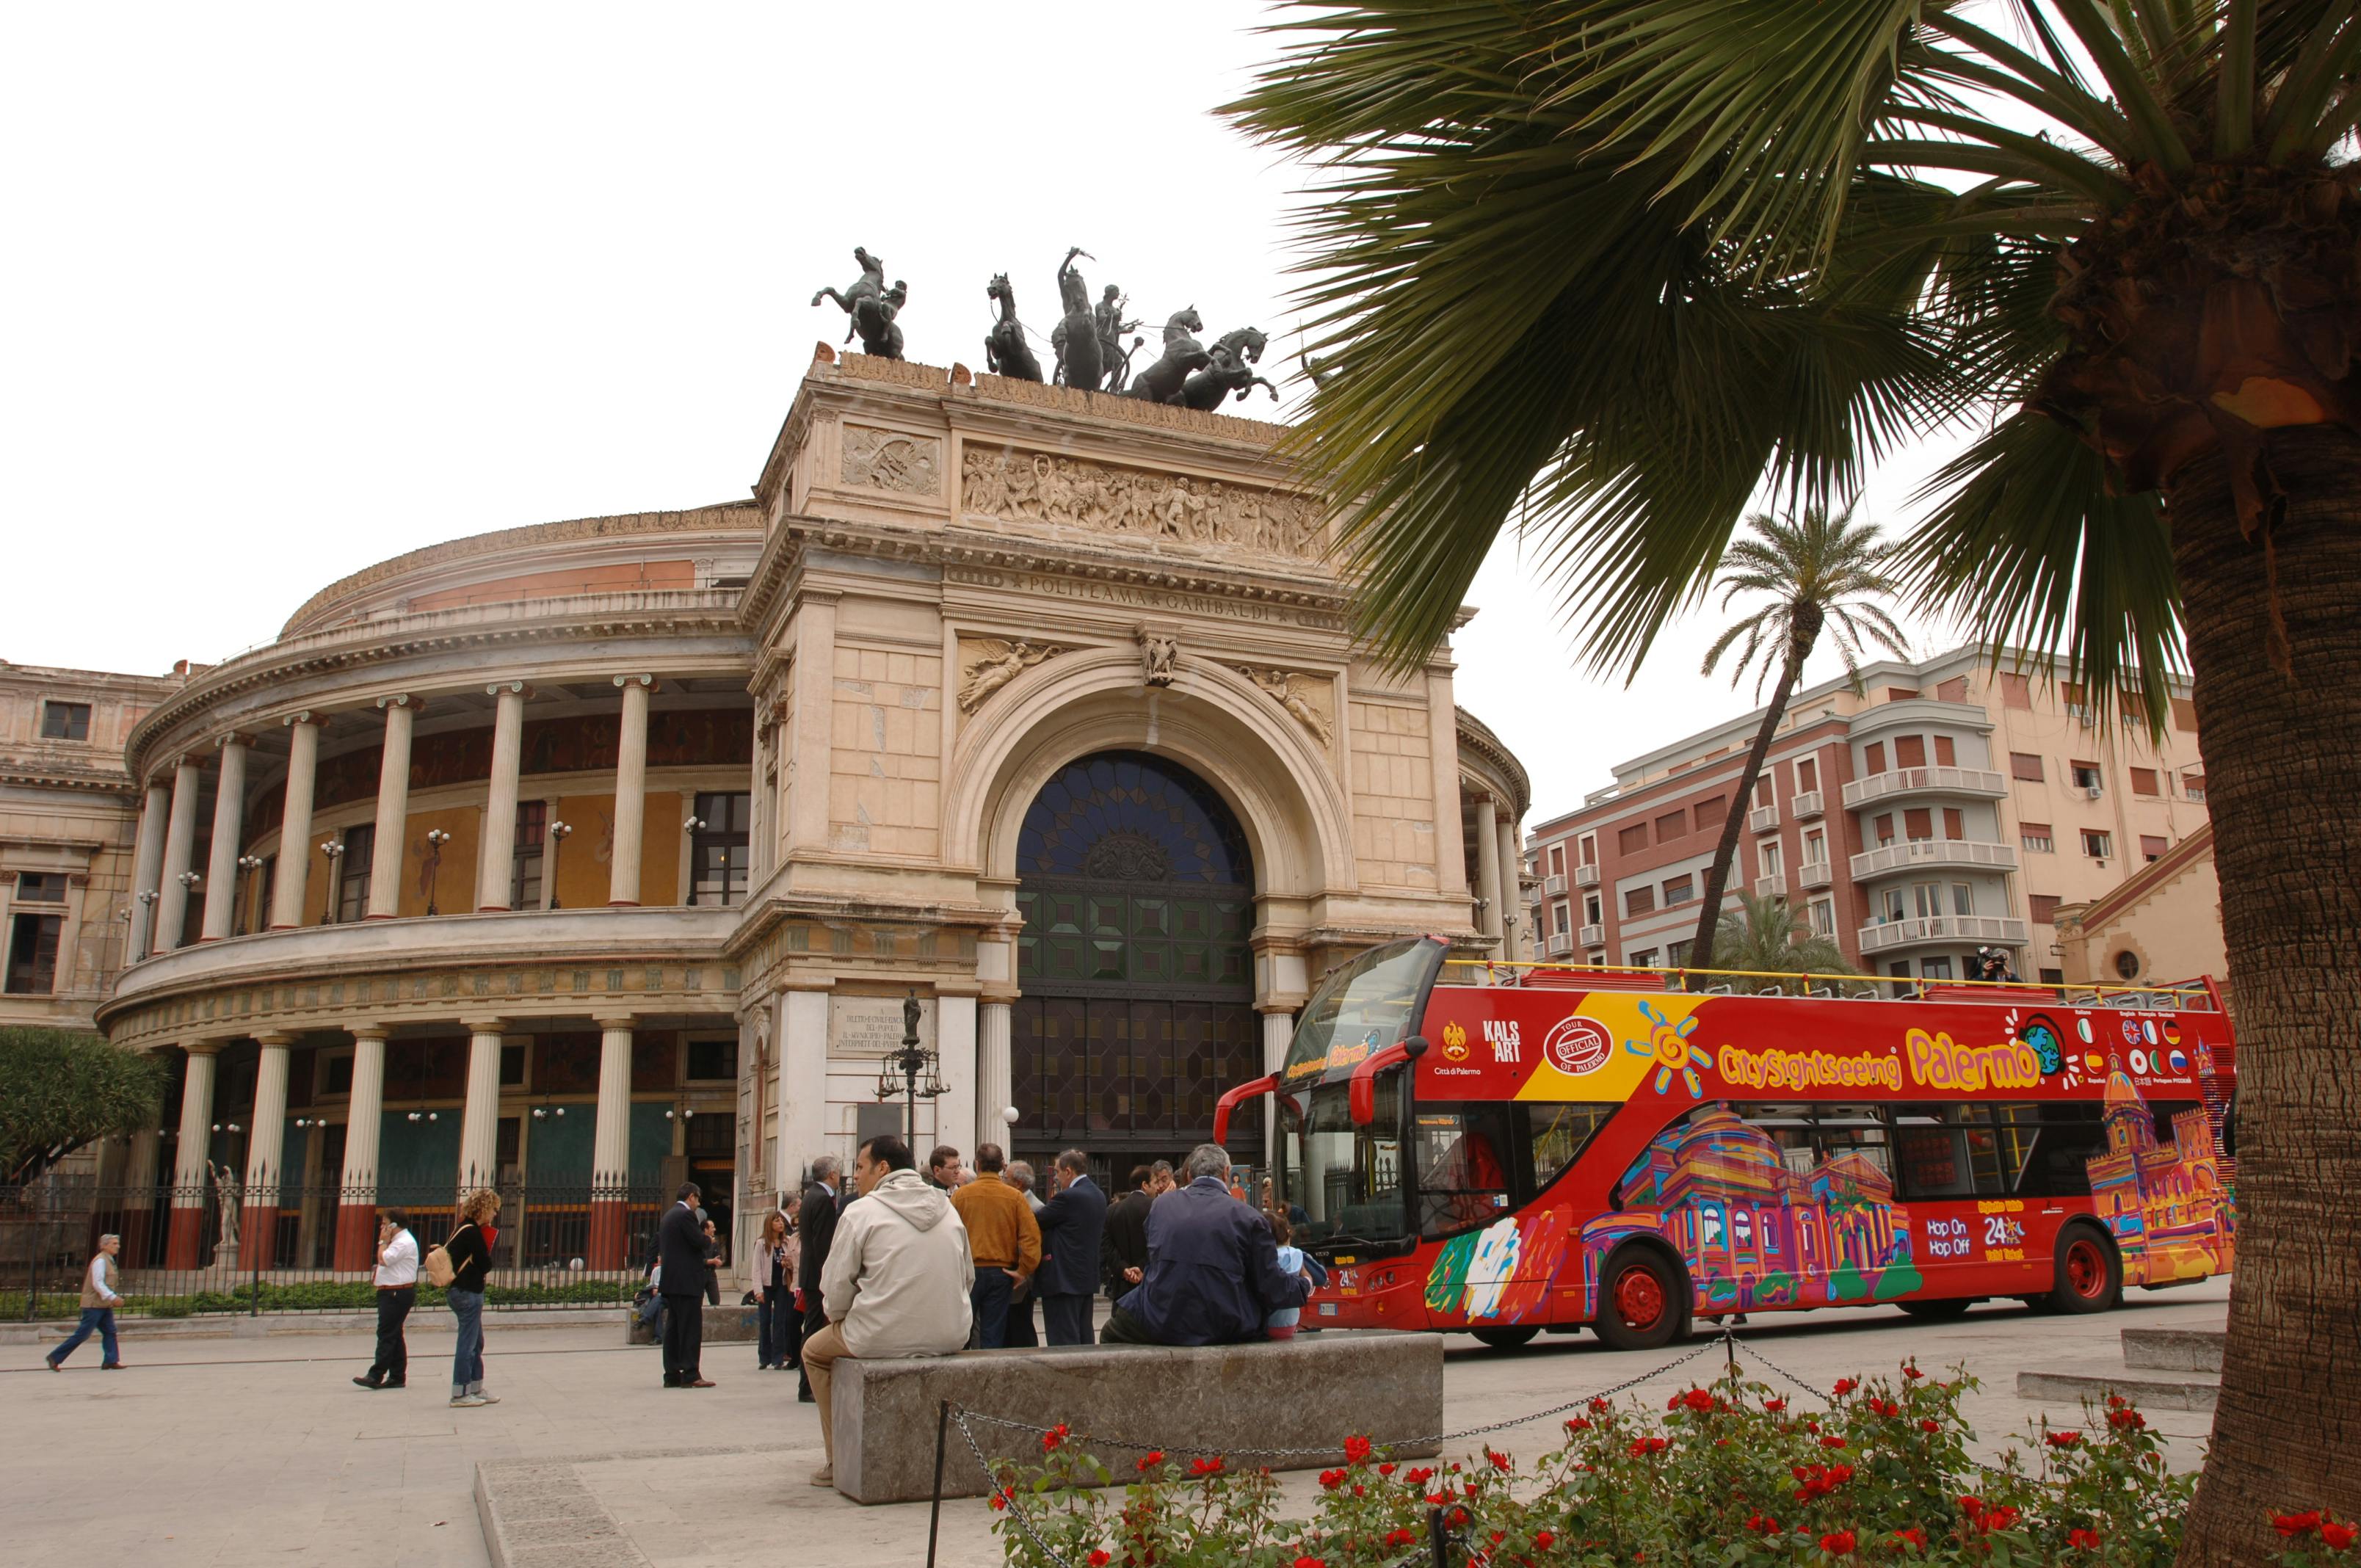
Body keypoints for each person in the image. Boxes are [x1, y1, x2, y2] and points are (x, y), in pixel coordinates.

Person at [802, 1135, 973, 1489]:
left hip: (877, 1332)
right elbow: (967, 1276)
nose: (857, 1177)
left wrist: (840, 1317)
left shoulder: (860, 1211)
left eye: (861, 1168)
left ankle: (839, 1458)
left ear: (883, 1168)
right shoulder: (948, 1208)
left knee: (814, 1353)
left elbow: (835, 1289)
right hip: (950, 1332)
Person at [1101, 1144, 1310, 1347]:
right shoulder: (1250, 1218)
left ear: (1189, 1175)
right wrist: (1306, 1285)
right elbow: (1271, 1286)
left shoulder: (1161, 1205)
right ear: (1227, 1173)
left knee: (1110, 1332)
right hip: (1226, 1324)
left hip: (1163, 1319)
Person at [949, 1142, 1040, 1348]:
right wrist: (1024, 1270)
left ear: (977, 1164)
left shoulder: (961, 1195)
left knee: (962, 1328)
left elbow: (949, 1233)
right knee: (993, 1332)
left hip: (968, 1270)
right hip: (1002, 1272)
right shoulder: (1015, 1197)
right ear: (1001, 1165)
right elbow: (1031, 1237)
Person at [1034, 1149, 1106, 1346]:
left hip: (1063, 1280)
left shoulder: (1068, 1197)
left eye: (1057, 1172)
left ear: (1068, 1171)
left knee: (1063, 1341)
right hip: (1085, 1278)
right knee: (1084, 1337)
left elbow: (1037, 1220)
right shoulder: (1097, 1194)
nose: (1056, 1178)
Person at [444, 1188, 500, 1407]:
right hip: (468, 1291)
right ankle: (460, 1392)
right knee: (468, 1344)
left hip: (460, 1290)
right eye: (493, 1210)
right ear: (484, 1209)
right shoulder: (472, 1232)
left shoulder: (462, 1228)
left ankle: (476, 1387)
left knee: (476, 1342)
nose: (494, 1214)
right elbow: (485, 1264)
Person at [795, 1155, 842, 1404]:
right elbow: (823, 1243)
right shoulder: (823, 1199)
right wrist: (830, 1275)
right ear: (832, 1174)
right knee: (814, 1329)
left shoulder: (811, 1195)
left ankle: (807, 1384)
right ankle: (808, 1385)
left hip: (810, 1274)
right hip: (817, 1276)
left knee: (812, 1327)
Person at [353, 1206, 417, 1389]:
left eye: (385, 1224)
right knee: (395, 1333)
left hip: (396, 1292)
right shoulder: (397, 1241)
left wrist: (382, 1242)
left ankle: (376, 1374)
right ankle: (397, 1376)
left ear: (394, 1225)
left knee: (386, 1333)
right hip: (390, 1291)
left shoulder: (403, 1242)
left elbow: (384, 1260)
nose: (382, 1227)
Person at [657, 1183, 713, 1389]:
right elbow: (698, 1241)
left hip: (672, 1281)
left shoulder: (669, 1215)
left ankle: (671, 1373)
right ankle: (691, 1373)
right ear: (691, 1197)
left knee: (673, 1328)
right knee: (690, 1329)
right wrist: (708, 1239)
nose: (698, 1205)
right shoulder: (686, 1215)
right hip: (687, 1281)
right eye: (697, 1200)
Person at [46, 1233, 124, 1371]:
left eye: (117, 1243)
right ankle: (55, 1357)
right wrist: (113, 1297)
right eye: (114, 1244)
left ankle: (111, 1361)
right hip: (93, 1305)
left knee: (110, 1331)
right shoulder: (100, 1261)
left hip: (103, 1304)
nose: (118, 1246)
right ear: (104, 1246)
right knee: (83, 1334)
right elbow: (98, 1283)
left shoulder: (109, 1260)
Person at [1261, 1213, 1327, 1340]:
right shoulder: (1297, 1255)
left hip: (1265, 1324)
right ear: (1288, 1233)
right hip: (1288, 1325)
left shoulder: (1263, 1257)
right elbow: (1321, 1277)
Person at [1003, 1161, 1046, 1348]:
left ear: (1018, 1184)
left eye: (1005, 1178)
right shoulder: (1020, 1202)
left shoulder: (1033, 1207)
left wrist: (1025, 1274)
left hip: (1021, 1279)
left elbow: (1031, 1244)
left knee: (1020, 1328)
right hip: (1017, 1277)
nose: (1002, 1181)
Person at [752, 1207, 801, 1371]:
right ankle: (764, 1357)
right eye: (777, 1221)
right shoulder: (761, 1244)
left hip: (781, 1285)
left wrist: (788, 1264)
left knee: (780, 1321)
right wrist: (758, 1290)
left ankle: (778, 1357)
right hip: (766, 1286)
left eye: (781, 1221)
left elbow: (793, 1262)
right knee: (765, 1321)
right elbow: (756, 1268)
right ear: (770, 1224)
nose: (781, 1224)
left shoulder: (787, 1242)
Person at [1101, 1164, 1155, 1304]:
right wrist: (1142, 1267)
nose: (1157, 1187)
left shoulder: (1112, 1210)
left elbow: (1106, 1245)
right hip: (1149, 1284)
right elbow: (1159, 1242)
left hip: (1122, 1286)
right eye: (1155, 1182)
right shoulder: (1156, 1206)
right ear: (1145, 1185)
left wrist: (1123, 1268)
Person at [701, 1216, 724, 1307]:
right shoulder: (699, 1242)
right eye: (712, 1227)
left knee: (715, 1300)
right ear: (705, 1229)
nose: (714, 1229)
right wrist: (711, 1261)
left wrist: (718, 1261)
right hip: (700, 1274)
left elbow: (719, 1255)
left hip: (711, 1273)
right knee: (697, 1300)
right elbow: (697, 1260)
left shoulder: (714, 1242)